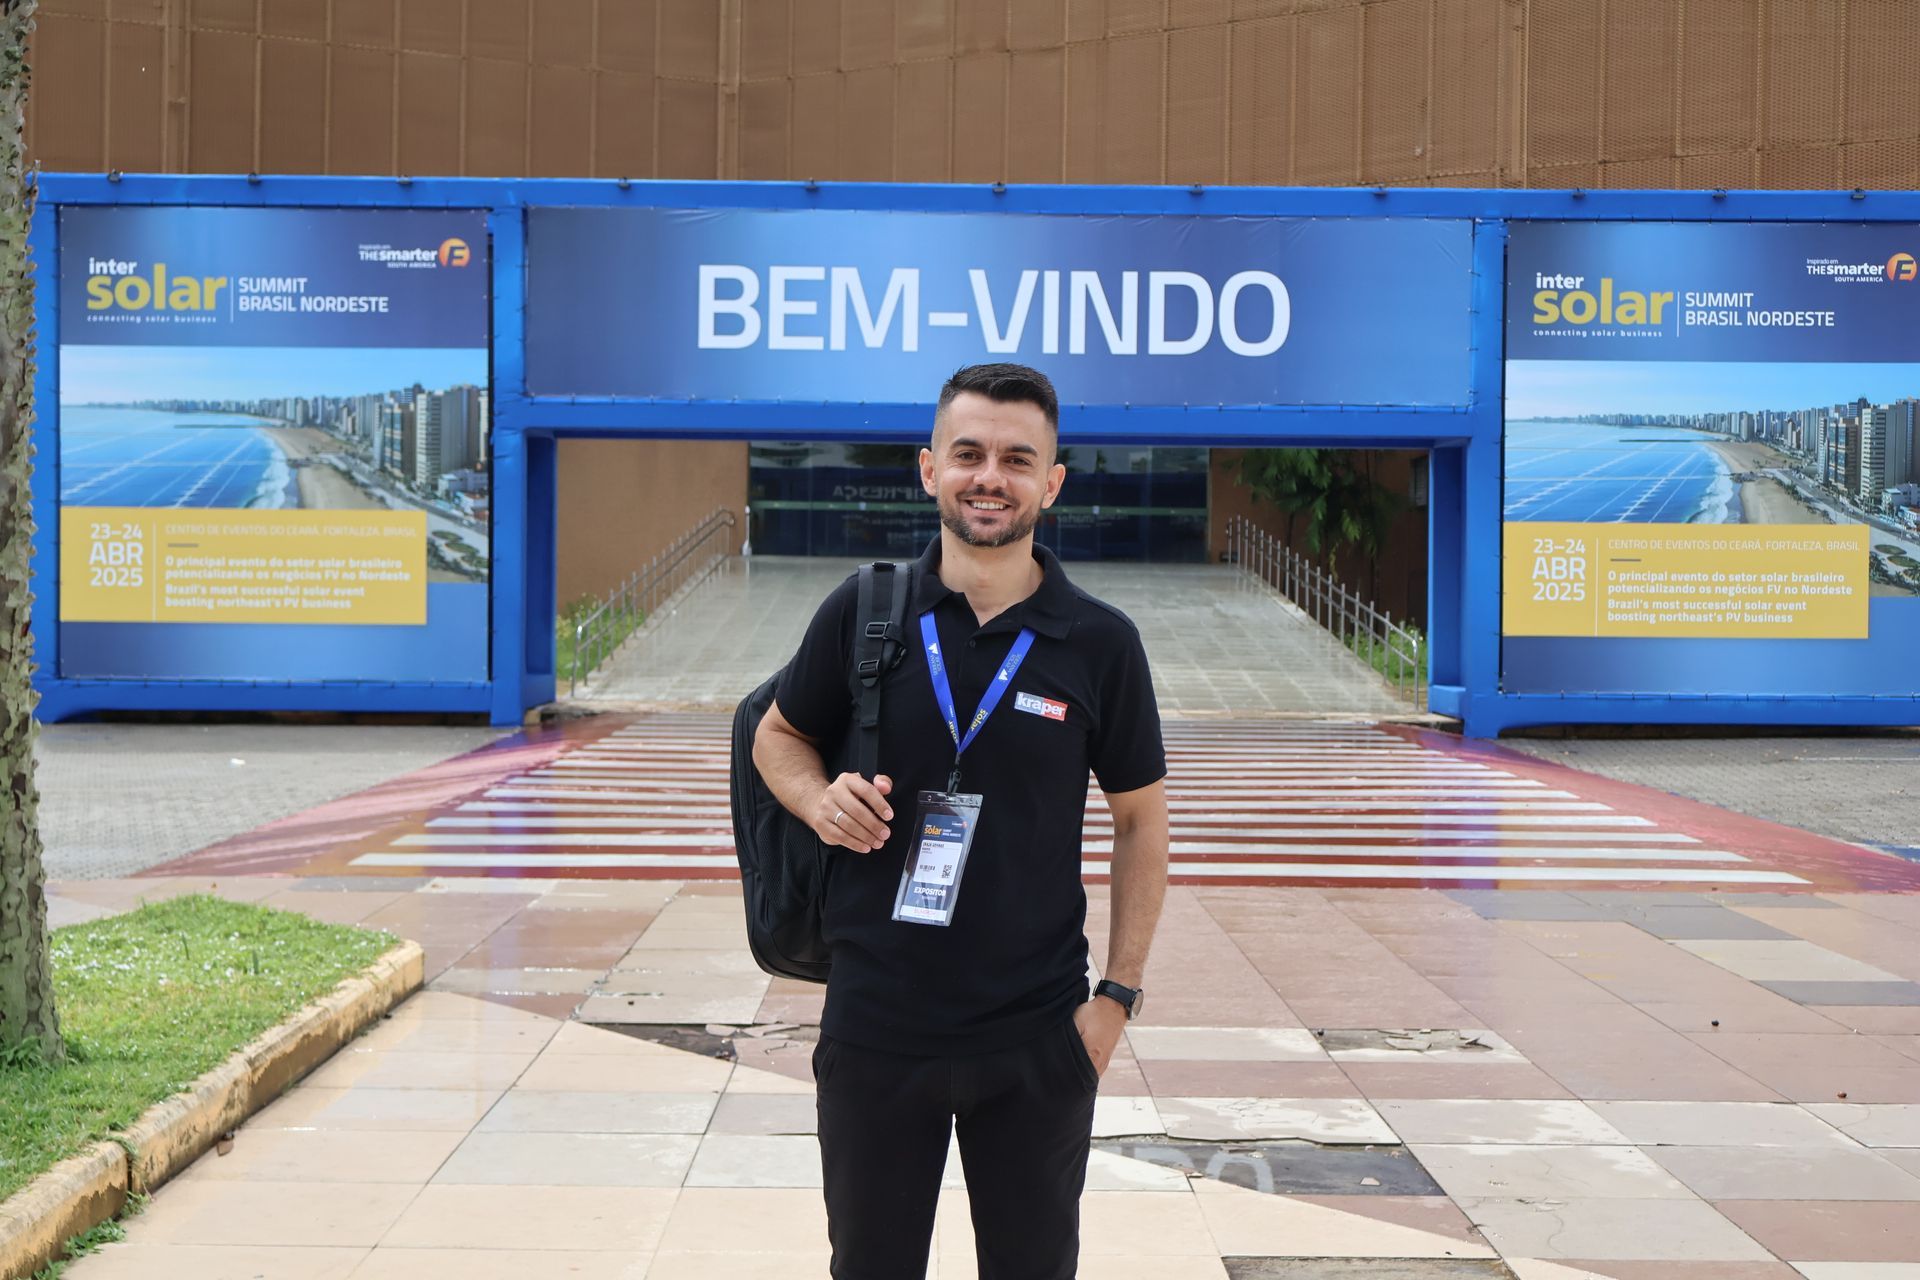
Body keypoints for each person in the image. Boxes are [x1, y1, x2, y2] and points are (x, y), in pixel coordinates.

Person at [753, 362, 1171, 1279]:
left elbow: (1141, 820)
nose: (991, 477)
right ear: (929, 468)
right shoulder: (865, 611)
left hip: (1037, 1033)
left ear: (1052, 483)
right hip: (876, 1022)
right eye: (969, 453)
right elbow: (777, 736)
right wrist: (816, 798)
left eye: (1018, 459)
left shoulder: (1101, 643)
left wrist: (1116, 999)